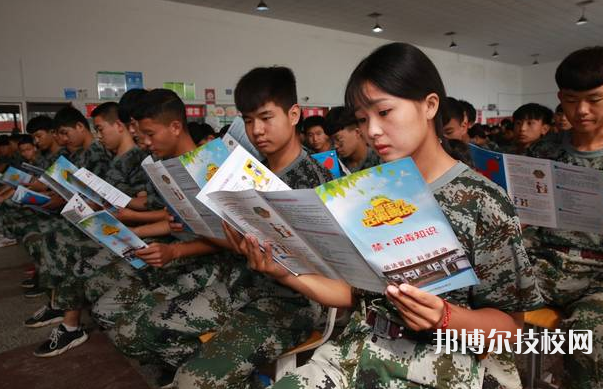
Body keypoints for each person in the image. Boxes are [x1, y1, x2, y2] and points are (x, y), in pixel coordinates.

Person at [228, 43, 542, 389]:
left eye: (385, 112)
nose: (372, 130)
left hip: (441, 366)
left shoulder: (483, 202)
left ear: (430, 106)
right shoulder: (367, 192)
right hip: (358, 352)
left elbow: (510, 329)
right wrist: (284, 272)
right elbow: (353, 293)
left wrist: (447, 317)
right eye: (363, 119)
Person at [527, 46, 603, 389]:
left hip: (599, 274)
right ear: (561, 98)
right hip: (546, 263)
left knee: (587, 336)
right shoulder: (544, 152)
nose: (582, 111)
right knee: (480, 295)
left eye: (595, 99)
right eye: (572, 100)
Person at [324, 106, 380, 172]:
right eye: (331, 141)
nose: (335, 146)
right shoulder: (335, 164)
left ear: (357, 132)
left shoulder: (381, 161)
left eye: (338, 139)